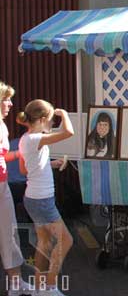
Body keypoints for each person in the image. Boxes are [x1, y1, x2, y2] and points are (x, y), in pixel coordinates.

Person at [17, 99, 73, 296]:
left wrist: (50, 164)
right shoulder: (36, 139)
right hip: (42, 201)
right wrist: (64, 114)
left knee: (44, 243)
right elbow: (68, 133)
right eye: (50, 121)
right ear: (41, 120)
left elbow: (26, 169)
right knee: (66, 241)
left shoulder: (26, 138)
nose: (51, 125)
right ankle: (49, 287)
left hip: (33, 198)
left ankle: (39, 289)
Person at [0, 81, 33, 296]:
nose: (10, 104)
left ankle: (16, 283)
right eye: (6, 99)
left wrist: (22, 153)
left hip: (2, 185)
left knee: (9, 232)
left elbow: (3, 156)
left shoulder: (2, 125)